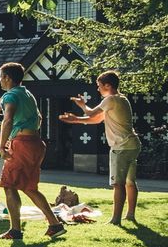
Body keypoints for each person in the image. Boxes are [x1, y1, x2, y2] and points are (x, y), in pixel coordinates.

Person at [58, 69, 141, 224]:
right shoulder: (121, 100)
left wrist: (82, 106)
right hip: (133, 145)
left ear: (108, 85)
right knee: (130, 182)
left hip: (121, 147)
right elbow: (97, 119)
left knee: (118, 183)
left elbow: (91, 114)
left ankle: (116, 219)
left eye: (99, 85)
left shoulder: (110, 99)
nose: (97, 89)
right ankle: (130, 214)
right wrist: (76, 120)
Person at [0, 61, 64, 240]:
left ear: (8, 78)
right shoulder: (28, 94)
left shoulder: (9, 96)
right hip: (36, 143)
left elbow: (8, 119)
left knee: (9, 185)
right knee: (29, 187)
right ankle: (55, 224)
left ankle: (15, 231)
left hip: (22, 143)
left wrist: (2, 145)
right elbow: (39, 118)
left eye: (0, 76)